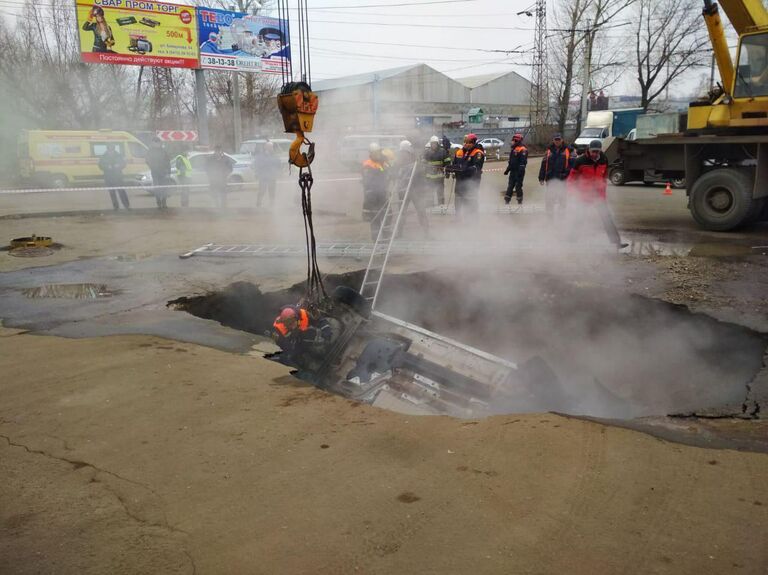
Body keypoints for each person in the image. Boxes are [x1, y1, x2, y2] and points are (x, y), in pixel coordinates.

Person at [567, 139, 625, 248]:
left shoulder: (604, 159)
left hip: (598, 195)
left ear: (600, 151)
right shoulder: (580, 161)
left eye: (597, 152)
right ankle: (571, 242)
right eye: (593, 151)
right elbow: (571, 178)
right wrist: (572, 192)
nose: (595, 154)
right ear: (589, 150)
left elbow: (603, 177)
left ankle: (616, 243)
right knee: (579, 219)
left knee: (607, 219)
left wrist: (603, 191)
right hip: (584, 195)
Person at [271, 305, 336, 367]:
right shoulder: (278, 331)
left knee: (315, 337)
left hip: (305, 338)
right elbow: (282, 350)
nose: (292, 326)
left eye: (293, 323)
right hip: (294, 347)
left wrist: (327, 332)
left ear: (296, 318)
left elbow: (320, 320)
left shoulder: (304, 314)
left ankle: (325, 354)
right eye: (289, 324)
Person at [395, 140, 429, 237]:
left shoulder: (416, 161)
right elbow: (395, 173)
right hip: (403, 189)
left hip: (415, 189)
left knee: (421, 211)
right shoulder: (399, 162)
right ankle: (399, 232)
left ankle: (426, 232)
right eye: (402, 153)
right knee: (402, 212)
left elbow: (421, 175)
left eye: (405, 153)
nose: (403, 155)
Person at [450, 133, 485, 218]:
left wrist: (464, 169)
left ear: (473, 143)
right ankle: (458, 217)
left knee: (470, 200)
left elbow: (476, 168)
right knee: (458, 199)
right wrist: (450, 168)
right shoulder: (459, 152)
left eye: (469, 142)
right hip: (459, 181)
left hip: (471, 181)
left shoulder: (478, 153)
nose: (466, 144)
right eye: (465, 142)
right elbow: (455, 164)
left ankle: (472, 220)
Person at [538, 133, 574, 216]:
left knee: (562, 200)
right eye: (556, 139)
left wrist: (567, 175)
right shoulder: (548, 150)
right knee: (549, 200)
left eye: (559, 139)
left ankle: (561, 217)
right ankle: (550, 218)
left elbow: (572, 165)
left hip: (563, 180)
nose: (557, 141)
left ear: (562, 140)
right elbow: (543, 164)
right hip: (550, 179)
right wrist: (541, 177)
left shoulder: (569, 150)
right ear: (553, 140)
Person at [361, 142, 390, 240]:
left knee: (387, 216)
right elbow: (370, 179)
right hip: (372, 197)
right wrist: (384, 171)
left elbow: (388, 171)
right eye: (376, 152)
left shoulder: (382, 162)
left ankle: (386, 238)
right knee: (375, 219)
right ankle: (376, 240)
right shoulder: (367, 164)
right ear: (371, 153)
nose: (378, 154)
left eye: (379, 152)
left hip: (382, 194)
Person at [98, 144, 130, 210]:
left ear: (114, 149)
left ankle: (126, 206)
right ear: (107, 149)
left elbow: (124, 164)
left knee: (121, 191)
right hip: (108, 177)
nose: (111, 151)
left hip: (118, 177)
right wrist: (107, 167)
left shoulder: (119, 155)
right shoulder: (103, 156)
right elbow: (100, 165)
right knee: (112, 193)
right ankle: (116, 207)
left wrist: (119, 165)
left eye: (112, 150)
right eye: (110, 150)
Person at [253, 141, 282, 209]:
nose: (269, 148)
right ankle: (258, 204)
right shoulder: (261, 155)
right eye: (268, 147)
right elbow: (257, 164)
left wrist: (278, 172)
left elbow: (278, 164)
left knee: (272, 191)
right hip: (263, 177)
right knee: (261, 191)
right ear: (265, 147)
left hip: (272, 176)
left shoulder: (275, 155)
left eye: (271, 147)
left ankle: (272, 204)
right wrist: (258, 173)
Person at [423, 135, 450, 206]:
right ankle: (430, 205)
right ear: (430, 144)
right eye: (432, 143)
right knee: (429, 191)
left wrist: (447, 171)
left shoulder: (442, 151)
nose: (433, 145)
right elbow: (423, 163)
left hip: (439, 176)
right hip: (429, 176)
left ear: (437, 144)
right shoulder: (427, 152)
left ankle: (441, 206)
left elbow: (447, 162)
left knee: (440, 191)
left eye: (435, 143)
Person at [146, 138, 171, 209]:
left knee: (164, 188)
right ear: (153, 143)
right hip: (155, 173)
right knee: (157, 188)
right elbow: (147, 160)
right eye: (155, 143)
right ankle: (158, 203)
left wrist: (168, 172)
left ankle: (164, 202)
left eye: (158, 143)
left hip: (163, 172)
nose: (157, 144)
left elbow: (168, 162)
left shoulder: (163, 151)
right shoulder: (150, 151)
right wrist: (152, 167)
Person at [504, 133, 528, 205]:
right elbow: (511, 162)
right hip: (513, 171)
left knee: (518, 187)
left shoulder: (523, 149)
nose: (512, 142)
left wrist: (520, 170)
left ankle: (520, 202)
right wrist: (507, 170)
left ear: (516, 140)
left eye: (513, 140)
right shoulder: (513, 149)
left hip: (519, 172)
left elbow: (523, 162)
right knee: (510, 186)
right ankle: (507, 201)